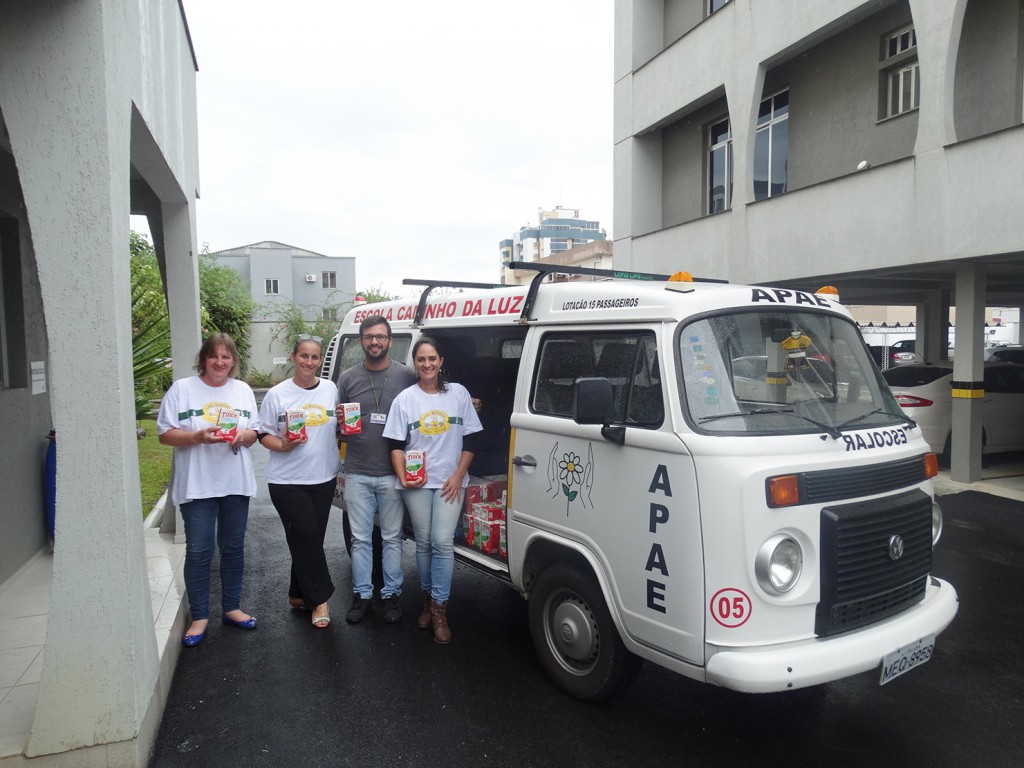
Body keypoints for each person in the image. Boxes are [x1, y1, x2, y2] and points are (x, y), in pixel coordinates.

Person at [157, 333, 260, 647]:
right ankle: (200, 615)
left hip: (235, 482)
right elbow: (164, 434)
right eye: (214, 356)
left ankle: (231, 608)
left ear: (233, 361)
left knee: (232, 548)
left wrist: (244, 436)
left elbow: (255, 431)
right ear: (203, 358)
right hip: (197, 484)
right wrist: (197, 437)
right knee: (200, 550)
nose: (220, 362)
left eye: (226, 357)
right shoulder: (182, 390)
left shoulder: (242, 390)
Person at [383, 336, 483, 644]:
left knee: (442, 541)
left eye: (432, 359)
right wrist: (404, 476)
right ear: (415, 364)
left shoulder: (459, 394)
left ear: (441, 362)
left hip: (449, 481)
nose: (427, 364)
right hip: (416, 483)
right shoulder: (405, 399)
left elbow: (472, 440)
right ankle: (427, 601)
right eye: (421, 359)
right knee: (424, 541)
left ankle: (440, 608)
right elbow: (396, 445)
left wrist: (458, 475)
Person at [336, 316, 416, 625]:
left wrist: (467, 400)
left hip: (393, 472)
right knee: (360, 539)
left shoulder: (407, 375)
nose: (375, 342)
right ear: (361, 341)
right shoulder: (347, 378)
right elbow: (339, 422)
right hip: (356, 470)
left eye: (380, 337)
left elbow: (430, 395)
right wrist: (341, 427)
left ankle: (392, 595)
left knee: (393, 537)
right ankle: (363, 595)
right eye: (369, 337)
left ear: (390, 341)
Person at [257, 335, 340, 629]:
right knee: (305, 533)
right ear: (293, 357)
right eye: (303, 356)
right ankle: (320, 599)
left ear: (320, 361)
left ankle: (297, 593)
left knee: (310, 538)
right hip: (287, 480)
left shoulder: (330, 389)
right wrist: (284, 445)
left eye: (315, 357)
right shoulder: (277, 394)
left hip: (324, 476)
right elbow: (262, 433)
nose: (309, 362)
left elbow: (339, 423)